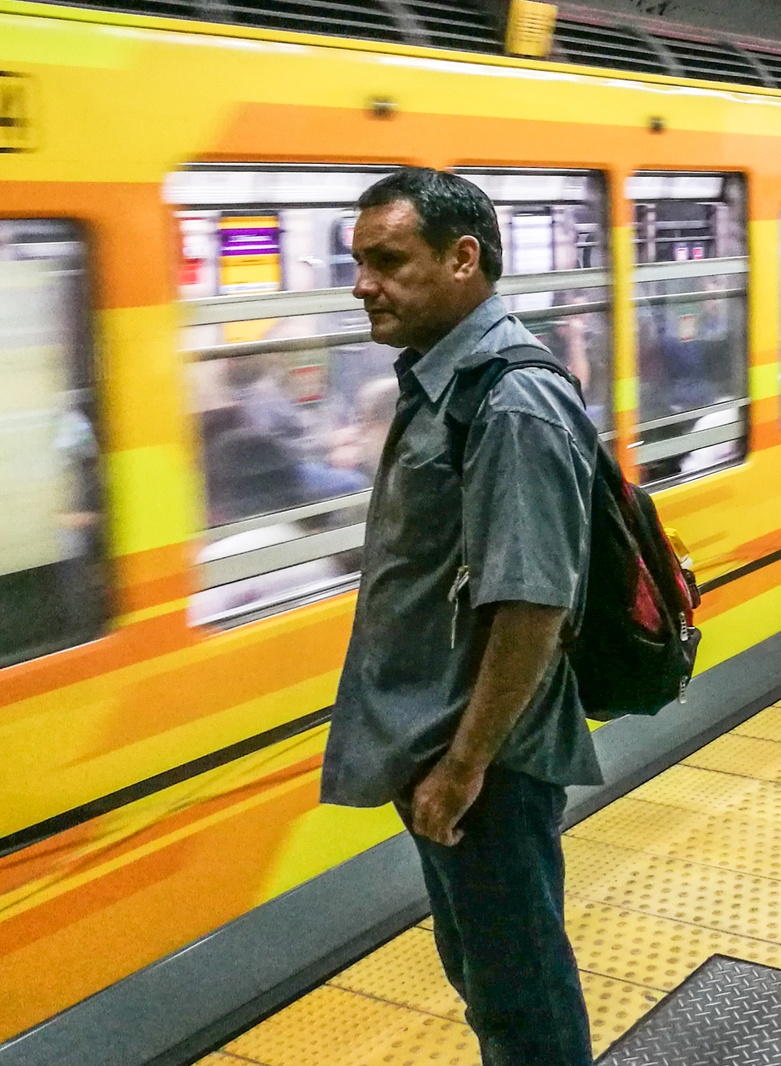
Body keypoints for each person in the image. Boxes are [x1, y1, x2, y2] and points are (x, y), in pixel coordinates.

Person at [321, 167, 598, 1065]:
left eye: (387, 259)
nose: (363, 282)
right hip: (445, 741)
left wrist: (463, 766)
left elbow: (533, 605)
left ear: (462, 258)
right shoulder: (443, 379)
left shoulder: (510, 399)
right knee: (489, 978)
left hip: (487, 758)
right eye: (359, 261)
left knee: (520, 998)